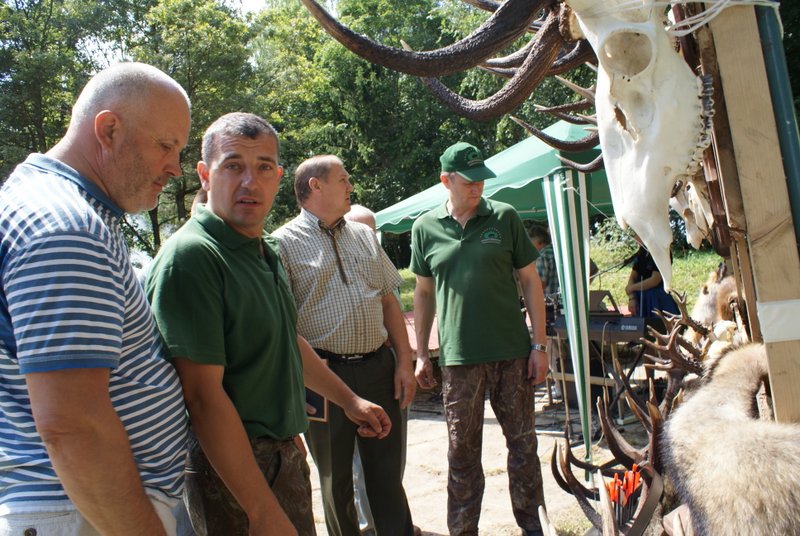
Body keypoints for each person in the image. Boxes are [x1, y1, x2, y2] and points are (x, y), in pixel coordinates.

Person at [145, 113, 392, 536]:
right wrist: (261, 510)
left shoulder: (264, 249)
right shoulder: (193, 257)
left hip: (279, 454)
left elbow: (285, 339)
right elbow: (202, 399)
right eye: (233, 165)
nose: (250, 182)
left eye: (263, 167)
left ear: (278, 178)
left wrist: (348, 401)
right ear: (204, 174)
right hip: (229, 472)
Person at [0, 62, 191, 535]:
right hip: (85, 513)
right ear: (108, 130)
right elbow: (73, 426)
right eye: (165, 145)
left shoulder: (50, 207)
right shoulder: (66, 229)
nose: (175, 168)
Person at [410, 142, 549, 536]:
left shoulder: (504, 217)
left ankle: (535, 529)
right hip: (459, 360)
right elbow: (423, 292)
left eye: (481, 180)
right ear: (446, 180)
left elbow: (530, 282)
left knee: (523, 447)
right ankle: (463, 531)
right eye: (469, 180)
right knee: (462, 453)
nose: (477, 187)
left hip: (511, 354)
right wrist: (422, 354)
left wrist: (539, 345)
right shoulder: (425, 228)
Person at [274, 158, 416, 536]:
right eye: (343, 179)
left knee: (387, 476)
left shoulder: (364, 235)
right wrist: (292, 389)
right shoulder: (281, 243)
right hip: (322, 376)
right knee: (335, 481)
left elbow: (389, 302)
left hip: (378, 368)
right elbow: (281, 328)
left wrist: (404, 363)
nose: (351, 186)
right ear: (315, 185)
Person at [624, 243, 679, 318]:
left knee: (658, 324)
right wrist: (632, 297)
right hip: (641, 300)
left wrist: (631, 288)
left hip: (658, 299)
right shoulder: (642, 251)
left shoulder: (662, 250)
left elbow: (654, 280)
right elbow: (633, 278)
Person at [528, 225, 559, 299]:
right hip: (562, 299)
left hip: (550, 302)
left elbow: (539, 286)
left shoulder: (542, 257)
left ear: (538, 242)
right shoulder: (557, 252)